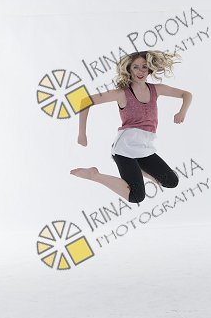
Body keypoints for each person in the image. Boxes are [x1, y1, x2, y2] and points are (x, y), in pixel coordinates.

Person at [70, 50, 192, 203]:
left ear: (150, 69)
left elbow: (187, 94)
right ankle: (94, 175)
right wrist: (82, 133)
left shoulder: (156, 89)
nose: (140, 71)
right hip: (125, 148)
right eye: (135, 67)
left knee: (171, 181)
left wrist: (182, 112)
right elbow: (85, 101)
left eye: (144, 67)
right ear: (129, 69)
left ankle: (139, 169)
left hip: (145, 146)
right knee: (136, 196)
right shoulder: (122, 93)